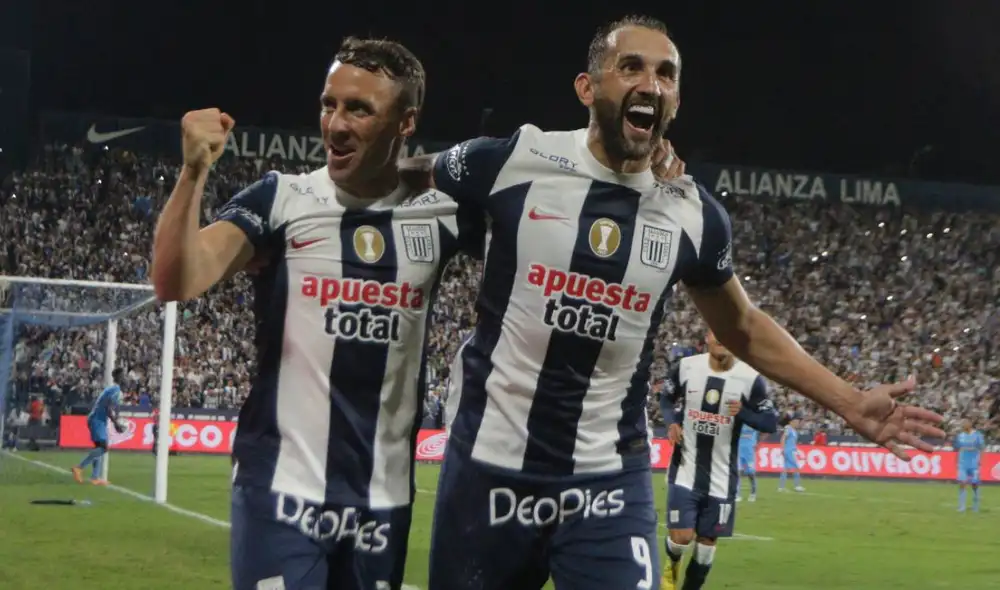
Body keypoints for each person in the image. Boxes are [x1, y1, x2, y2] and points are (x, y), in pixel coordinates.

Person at [399, 14, 945, 590]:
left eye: (666, 74)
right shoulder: (516, 160)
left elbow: (741, 326)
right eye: (630, 66)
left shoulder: (693, 213)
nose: (650, 83)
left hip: (608, 477)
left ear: (676, 100)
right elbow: (409, 175)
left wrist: (851, 403)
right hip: (489, 466)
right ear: (588, 88)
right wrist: (319, 194)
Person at [151, 37, 477, 590]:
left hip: (384, 498)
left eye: (359, 109)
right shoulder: (282, 199)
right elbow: (175, 280)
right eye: (329, 104)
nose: (336, 124)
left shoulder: (442, 212)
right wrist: (192, 173)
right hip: (279, 488)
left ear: (405, 121)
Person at [659, 331, 778, 589]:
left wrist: (744, 412)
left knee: (706, 546)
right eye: (716, 332)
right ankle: (672, 564)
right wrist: (671, 423)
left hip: (722, 478)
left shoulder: (750, 379)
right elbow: (666, 398)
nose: (722, 337)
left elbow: (770, 421)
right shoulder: (686, 368)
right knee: (681, 536)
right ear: (707, 337)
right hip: (685, 469)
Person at [72, 368, 125, 485]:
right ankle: (79, 467)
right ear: (119, 377)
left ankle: (95, 477)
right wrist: (116, 423)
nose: (125, 378)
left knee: (99, 447)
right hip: (97, 420)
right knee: (103, 447)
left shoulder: (111, 389)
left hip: (97, 419)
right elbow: (108, 408)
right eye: (123, 376)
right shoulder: (115, 390)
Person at [955, 419, 985, 513]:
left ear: (970, 424)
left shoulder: (977, 435)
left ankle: (975, 506)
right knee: (962, 483)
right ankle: (962, 507)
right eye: (962, 424)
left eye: (964, 424)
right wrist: (957, 461)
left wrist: (980, 460)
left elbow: (982, 448)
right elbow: (958, 448)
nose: (963, 425)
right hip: (963, 463)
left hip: (974, 463)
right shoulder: (960, 436)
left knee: (974, 484)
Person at [778, 416, 805, 492]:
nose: (797, 423)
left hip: (790, 450)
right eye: (796, 422)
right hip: (788, 451)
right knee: (796, 467)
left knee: (786, 469)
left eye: (798, 422)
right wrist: (782, 449)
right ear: (791, 422)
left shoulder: (794, 430)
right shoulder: (788, 428)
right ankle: (797, 485)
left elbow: (791, 441)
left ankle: (781, 487)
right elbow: (783, 438)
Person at [736, 423, 759, 502]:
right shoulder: (739, 422)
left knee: (750, 473)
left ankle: (753, 493)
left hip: (749, 453)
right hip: (739, 450)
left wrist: (755, 443)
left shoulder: (754, 423)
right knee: (737, 472)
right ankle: (738, 494)